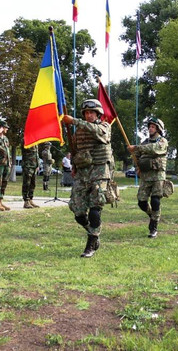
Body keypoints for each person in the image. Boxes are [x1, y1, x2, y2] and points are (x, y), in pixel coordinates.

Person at [62, 99, 113, 257]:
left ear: (98, 113)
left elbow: (97, 132)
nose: (88, 115)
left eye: (91, 112)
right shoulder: (80, 131)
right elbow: (76, 150)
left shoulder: (104, 126)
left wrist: (74, 121)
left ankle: (91, 242)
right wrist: (75, 165)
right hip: (83, 173)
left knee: (95, 209)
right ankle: (93, 231)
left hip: (99, 172)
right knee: (77, 210)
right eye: (86, 113)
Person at [128, 117, 169, 238]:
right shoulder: (144, 142)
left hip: (158, 175)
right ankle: (152, 215)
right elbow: (136, 155)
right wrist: (137, 166)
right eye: (149, 127)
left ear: (158, 129)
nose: (150, 129)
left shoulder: (162, 141)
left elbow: (155, 149)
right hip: (146, 176)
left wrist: (136, 147)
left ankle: (153, 226)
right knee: (141, 202)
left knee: (155, 200)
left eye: (153, 127)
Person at [21, 144, 40, 208]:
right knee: (27, 183)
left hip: (34, 165)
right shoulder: (25, 139)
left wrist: (37, 164)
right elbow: (25, 150)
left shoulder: (35, 141)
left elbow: (36, 154)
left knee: (33, 184)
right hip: (28, 165)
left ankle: (31, 199)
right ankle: (26, 201)